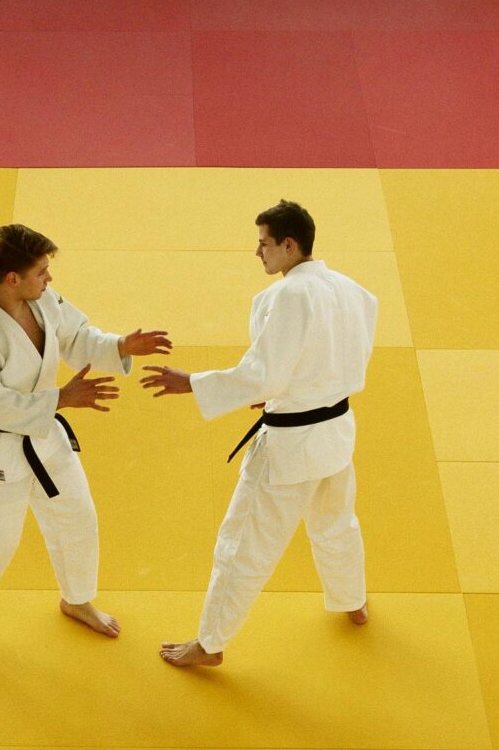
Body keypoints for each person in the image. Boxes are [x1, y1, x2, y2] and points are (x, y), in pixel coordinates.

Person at [144, 198, 376, 668]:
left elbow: (264, 374)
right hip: (336, 431)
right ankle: (353, 600)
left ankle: (210, 644)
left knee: (242, 546)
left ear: (289, 245)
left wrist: (193, 383)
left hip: (290, 446)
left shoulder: (289, 295)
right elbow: (337, 356)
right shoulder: (352, 289)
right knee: (336, 523)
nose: (257, 253)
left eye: (264, 243)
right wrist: (287, 389)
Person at [0, 223, 171, 652]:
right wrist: (62, 398)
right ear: (13, 278)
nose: (49, 278)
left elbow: (77, 337)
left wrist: (121, 345)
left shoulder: (42, 299)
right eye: (41, 271)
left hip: (44, 434)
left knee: (77, 516)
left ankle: (77, 599)